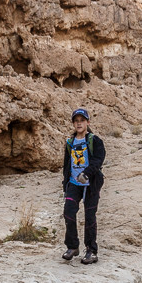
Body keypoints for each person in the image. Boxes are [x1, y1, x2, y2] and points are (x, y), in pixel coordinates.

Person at [61, 107, 106, 264]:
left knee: (89, 216)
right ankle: (73, 247)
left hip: (90, 184)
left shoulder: (94, 141)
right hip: (74, 184)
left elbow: (98, 160)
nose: (79, 124)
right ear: (73, 123)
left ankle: (91, 251)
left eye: (82, 121)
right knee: (68, 212)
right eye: (76, 121)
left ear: (87, 122)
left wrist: (86, 173)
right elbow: (66, 165)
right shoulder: (70, 142)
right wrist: (65, 183)